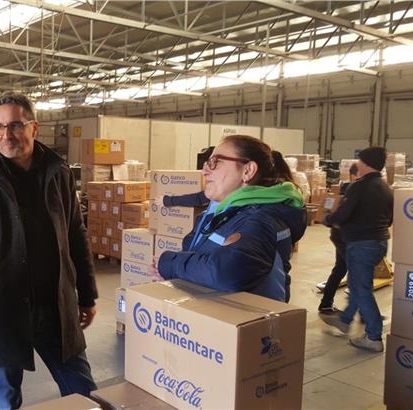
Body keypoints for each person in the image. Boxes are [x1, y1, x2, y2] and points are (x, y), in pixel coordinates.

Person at [0, 92, 98, 409]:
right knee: (4, 397)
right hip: (3, 312)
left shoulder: (59, 174)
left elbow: (75, 235)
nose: (5, 135)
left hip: (55, 308)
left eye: (15, 125)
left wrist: (86, 294)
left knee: (82, 389)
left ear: (34, 127)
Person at [156, 134, 306, 302]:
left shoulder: (260, 220)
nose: (205, 171)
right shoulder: (224, 212)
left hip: (241, 324)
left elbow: (227, 272)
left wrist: (169, 263)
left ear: (248, 171)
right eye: (207, 163)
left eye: (216, 162)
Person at [320, 147, 393, 353]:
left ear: (366, 163)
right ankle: (345, 320)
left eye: (359, 160)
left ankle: (373, 336)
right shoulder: (385, 188)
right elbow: (389, 220)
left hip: (361, 244)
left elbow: (342, 215)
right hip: (379, 243)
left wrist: (328, 219)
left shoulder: (358, 187)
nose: (357, 164)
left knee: (361, 289)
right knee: (359, 284)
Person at [317, 163, 358, 313]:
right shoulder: (351, 189)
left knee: (340, 269)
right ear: (353, 176)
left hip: (343, 236)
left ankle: (326, 303)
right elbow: (339, 214)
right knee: (353, 270)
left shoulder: (350, 188)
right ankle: (361, 311)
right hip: (343, 237)